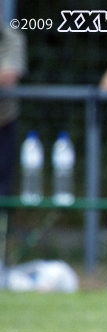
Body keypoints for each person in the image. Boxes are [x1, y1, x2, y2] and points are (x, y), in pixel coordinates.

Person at [0, 12, 27, 198]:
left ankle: (3, 227)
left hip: (4, 123)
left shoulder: (13, 38)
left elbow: (9, 78)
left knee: (3, 190)